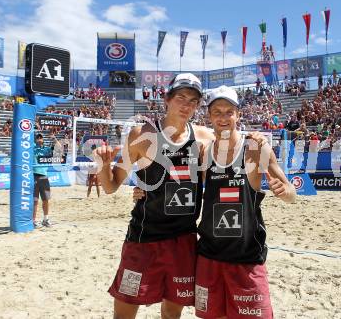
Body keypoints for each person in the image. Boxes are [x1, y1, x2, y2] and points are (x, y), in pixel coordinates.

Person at [94, 73, 213, 319]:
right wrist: (103, 166)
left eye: (193, 100)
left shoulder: (204, 138)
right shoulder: (141, 134)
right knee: (125, 311)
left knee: (171, 313)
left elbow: (215, 178)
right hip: (144, 237)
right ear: (167, 99)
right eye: (181, 97)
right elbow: (111, 186)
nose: (186, 105)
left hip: (183, 239)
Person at [194, 85, 296, 318]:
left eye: (228, 111)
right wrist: (143, 190)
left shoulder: (255, 148)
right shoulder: (204, 153)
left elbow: (292, 194)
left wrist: (284, 191)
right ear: (209, 116)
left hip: (247, 258)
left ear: (238, 114)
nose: (223, 117)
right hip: (209, 255)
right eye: (217, 112)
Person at [33, 133, 59, 228]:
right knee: (35, 200)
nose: (39, 139)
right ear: (35, 140)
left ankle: (45, 219)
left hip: (44, 176)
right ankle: (33, 220)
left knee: (46, 199)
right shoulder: (32, 148)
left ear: (43, 139)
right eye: (38, 138)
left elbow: (59, 148)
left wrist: (54, 138)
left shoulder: (46, 149)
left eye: (41, 137)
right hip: (34, 176)